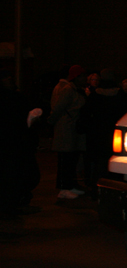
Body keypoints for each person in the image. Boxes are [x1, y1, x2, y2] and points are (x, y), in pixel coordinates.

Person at [0, 69, 41, 219]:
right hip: (14, 145)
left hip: (14, 144)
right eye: (6, 77)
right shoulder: (12, 99)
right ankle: (13, 205)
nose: (10, 79)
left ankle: (12, 204)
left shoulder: (13, 98)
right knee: (16, 176)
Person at [47, 65, 88, 200]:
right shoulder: (68, 89)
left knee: (69, 158)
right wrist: (51, 121)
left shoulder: (68, 89)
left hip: (68, 127)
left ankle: (69, 185)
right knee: (66, 159)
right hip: (66, 128)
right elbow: (59, 108)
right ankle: (65, 187)